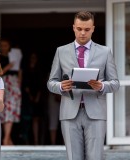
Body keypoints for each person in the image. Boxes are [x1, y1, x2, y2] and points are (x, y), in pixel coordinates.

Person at [47, 11, 120, 160]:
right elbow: (51, 83)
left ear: (93, 28)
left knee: (95, 157)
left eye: (87, 29)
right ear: (73, 27)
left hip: (96, 113)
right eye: (79, 29)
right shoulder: (61, 51)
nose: (82, 33)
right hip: (69, 113)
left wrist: (101, 86)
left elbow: (115, 83)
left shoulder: (105, 52)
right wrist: (61, 86)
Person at [0, 39, 22, 145]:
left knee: (12, 108)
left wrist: (19, 84)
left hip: (14, 84)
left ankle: (7, 138)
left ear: (9, 46)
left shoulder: (15, 55)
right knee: (5, 110)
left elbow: (20, 71)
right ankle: (6, 139)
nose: (4, 47)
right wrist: (8, 67)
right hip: (3, 83)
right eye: (2, 45)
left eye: (6, 45)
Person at [22, 52, 42, 145]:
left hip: (37, 97)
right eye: (32, 57)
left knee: (36, 119)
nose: (33, 59)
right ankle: (26, 141)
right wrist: (30, 96)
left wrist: (37, 96)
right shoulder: (26, 69)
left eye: (35, 57)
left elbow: (41, 85)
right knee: (26, 119)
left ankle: (36, 141)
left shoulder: (39, 70)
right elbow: (24, 85)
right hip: (27, 97)